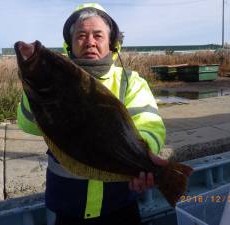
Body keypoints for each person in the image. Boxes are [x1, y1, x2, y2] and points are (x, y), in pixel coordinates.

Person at [17, 3, 166, 225]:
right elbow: (28, 125)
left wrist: (145, 154)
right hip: (69, 205)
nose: (90, 42)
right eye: (81, 35)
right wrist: (33, 89)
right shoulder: (56, 77)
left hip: (119, 202)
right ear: (70, 44)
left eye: (98, 35)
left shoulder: (130, 81)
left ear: (112, 42)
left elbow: (149, 123)